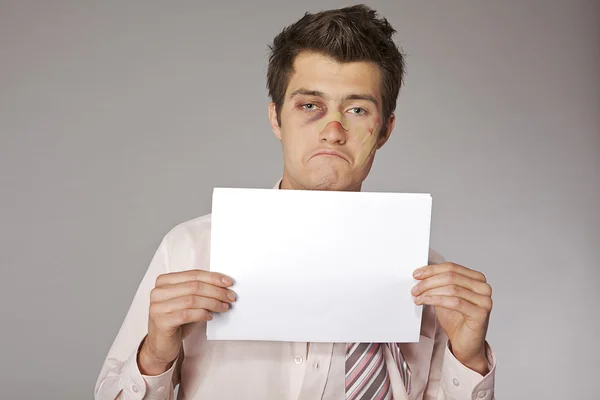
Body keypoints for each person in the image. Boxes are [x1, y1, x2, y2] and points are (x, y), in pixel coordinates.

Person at [95, 4, 496, 400]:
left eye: (357, 109)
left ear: (385, 129)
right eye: (310, 106)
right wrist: (155, 354)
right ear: (276, 118)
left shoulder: (431, 282)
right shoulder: (191, 249)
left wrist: (469, 358)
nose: (333, 131)